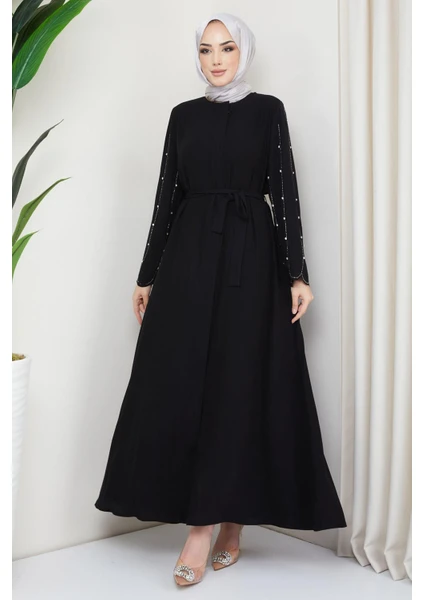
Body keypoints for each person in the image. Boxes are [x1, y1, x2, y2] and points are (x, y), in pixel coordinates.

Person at [94, 12, 347, 587]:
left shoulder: (269, 111)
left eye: (227, 48)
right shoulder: (182, 116)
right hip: (189, 260)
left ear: (243, 52)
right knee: (187, 382)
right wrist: (147, 275)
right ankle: (209, 523)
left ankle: (216, 526)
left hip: (252, 262)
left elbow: (285, 191)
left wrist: (298, 274)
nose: (216, 59)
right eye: (207, 49)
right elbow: (166, 197)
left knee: (239, 385)